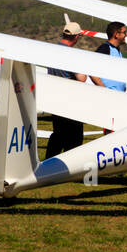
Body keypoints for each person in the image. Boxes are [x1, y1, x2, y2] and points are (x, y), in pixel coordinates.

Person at [44, 21, 88, 160]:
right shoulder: (71, 55)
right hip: (70, 100)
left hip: (54, 98)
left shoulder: (52, 51)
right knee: (75, 136)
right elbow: (81, 78)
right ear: (76, 37)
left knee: (58, 133)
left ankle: (49, 161)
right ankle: (70, 164)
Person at [91, 21, 127, 91]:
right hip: (109, 96)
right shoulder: (105, 49)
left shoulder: (117, 50)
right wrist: (105, 91)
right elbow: (92, 73)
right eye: (124, 32)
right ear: (116, 34)